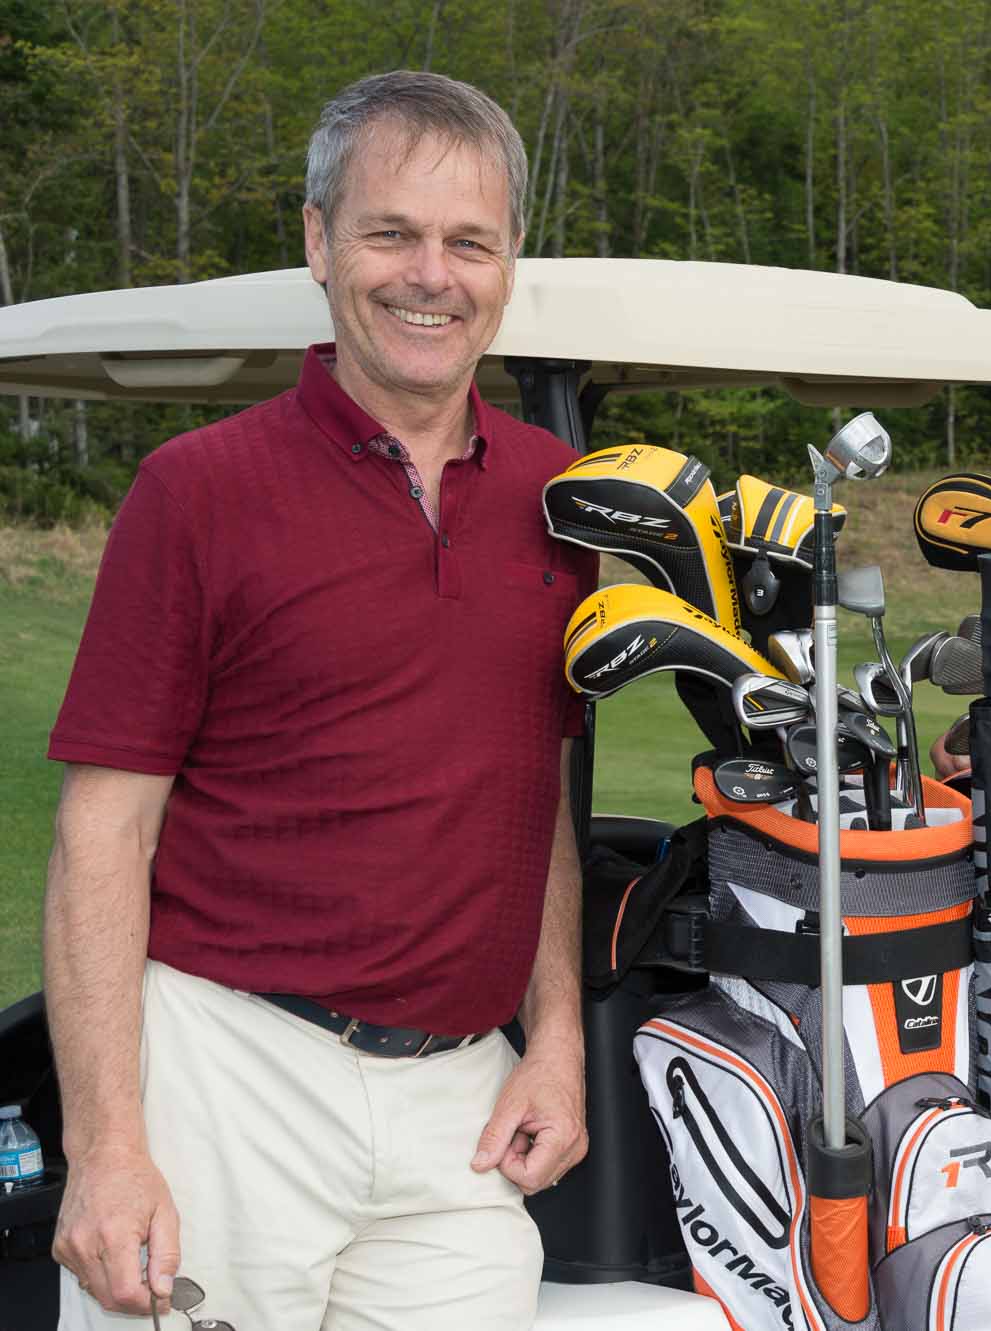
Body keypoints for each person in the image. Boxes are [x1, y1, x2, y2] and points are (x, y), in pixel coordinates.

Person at [42, 71, 595, 1329]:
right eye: (390, 231)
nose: (430, 274)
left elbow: (533, 796)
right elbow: (103, 829)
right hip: (227, 1079)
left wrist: (554, 1036)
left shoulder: (565, 500)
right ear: (315, 239)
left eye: (470, 241)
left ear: (509, 265)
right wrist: (110, 1141)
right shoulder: (197, 491)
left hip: (460, 1110)